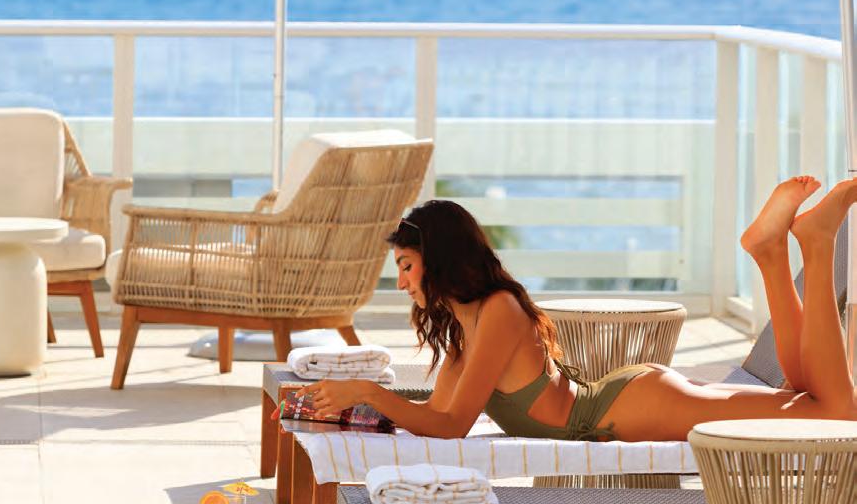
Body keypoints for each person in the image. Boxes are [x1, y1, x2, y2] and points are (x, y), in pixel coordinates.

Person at [297, 176, 857, 442]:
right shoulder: (468, 329)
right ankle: (770, 255)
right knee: (805, 398)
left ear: (438, 260)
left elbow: (452, 426)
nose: (401, 282)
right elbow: (437, 413)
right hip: (632, 396)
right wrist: (350, 404)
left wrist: (370, 392)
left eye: (406, 265)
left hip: (628, 409)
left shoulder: (499, 311)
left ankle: (815, 243)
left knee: (835, 416)